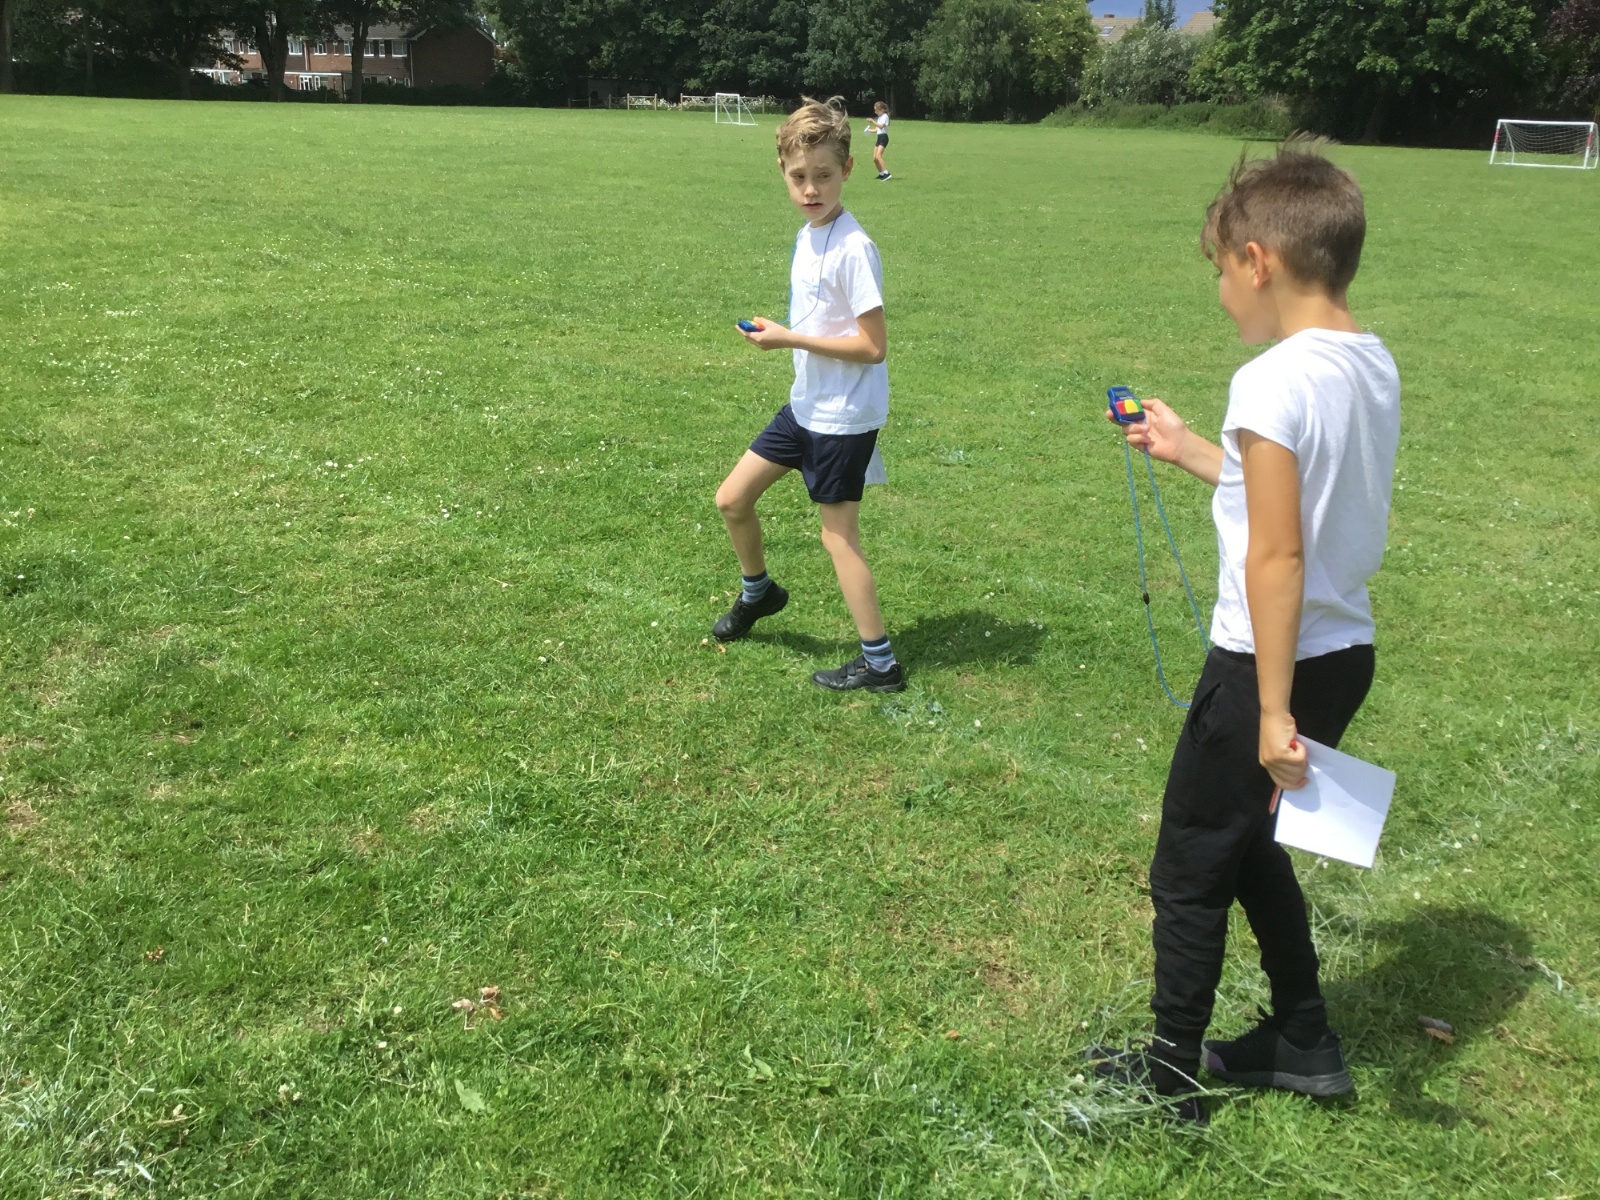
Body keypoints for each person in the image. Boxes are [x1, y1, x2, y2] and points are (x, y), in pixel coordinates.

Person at [1097, 139, 1401, 1123]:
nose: (1221, 292)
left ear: (1258, 261)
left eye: (1221, 270)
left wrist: (1269, 711)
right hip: (1342, 656)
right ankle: (1303, 1039)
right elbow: (1292, 501)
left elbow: (1276, 555)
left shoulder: (1271, 381)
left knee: (1191, 861)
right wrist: (1189, 448)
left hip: (1266, 666)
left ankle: (1170, 1079)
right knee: (1253, 844)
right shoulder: (1370, 362)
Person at [711, 97, 904, 694]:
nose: (811, 189)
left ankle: (880, 664)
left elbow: (873, 346)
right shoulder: (809, 234)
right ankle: (759, 592)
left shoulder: (853, 247)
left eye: (823, 175)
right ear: (783, 172)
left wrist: (788, 337)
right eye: (799, 177)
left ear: (848, 169)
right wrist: (786, 334)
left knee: (837, 537)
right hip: (807, 405)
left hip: (843, 416)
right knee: (732, 499)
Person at [867, 101, 891, 180]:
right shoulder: (879, 118)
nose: (875, 112)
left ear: (882, 109)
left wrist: (872, 121)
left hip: (884, 138)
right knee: (875, 158)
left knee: (878, 156)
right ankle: (881, 174)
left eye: (877, 110)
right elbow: (876, 130)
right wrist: (868, 130)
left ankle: (886, 174)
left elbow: (881, 126)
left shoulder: (885, 116)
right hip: (879, 137)